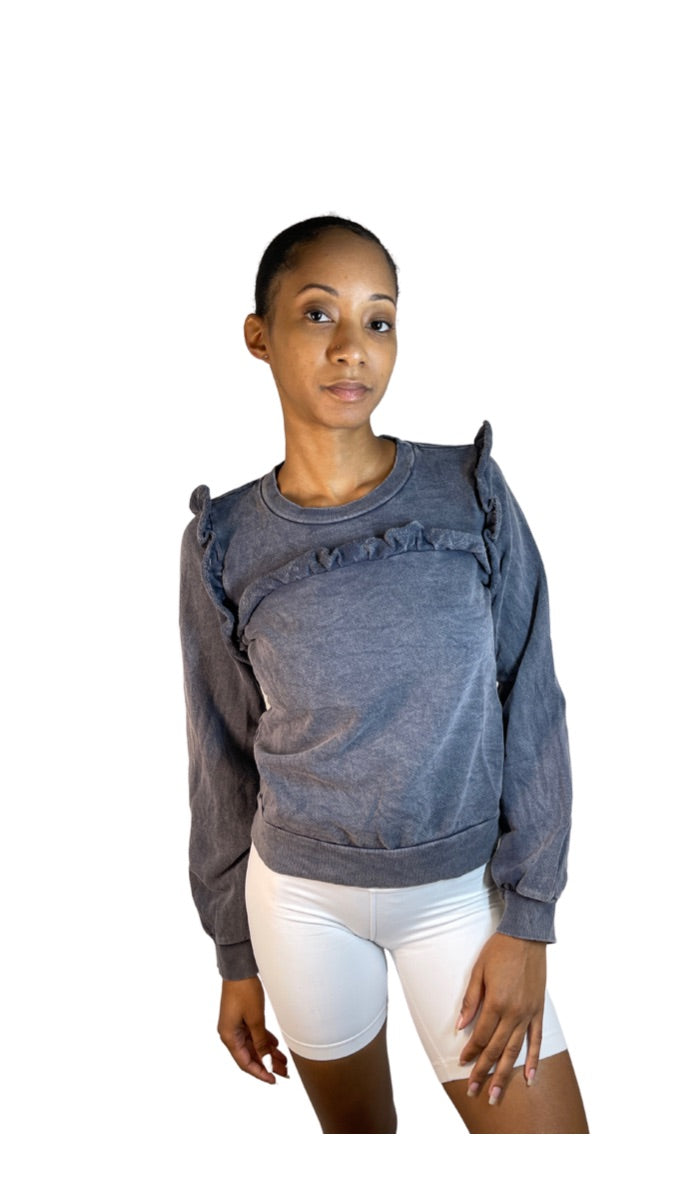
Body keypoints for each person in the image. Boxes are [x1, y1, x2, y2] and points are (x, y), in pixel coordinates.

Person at [179, 216, 589, 1134]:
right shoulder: (222, 540)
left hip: (461, 897)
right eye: (317, 313)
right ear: (259, 336)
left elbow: (533, 698)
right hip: (298, 904)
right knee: (360, 1146)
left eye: (379, 320)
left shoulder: (467, 491)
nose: (351, 347)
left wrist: (529, 919)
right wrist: (235, 954)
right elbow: (221, 752)